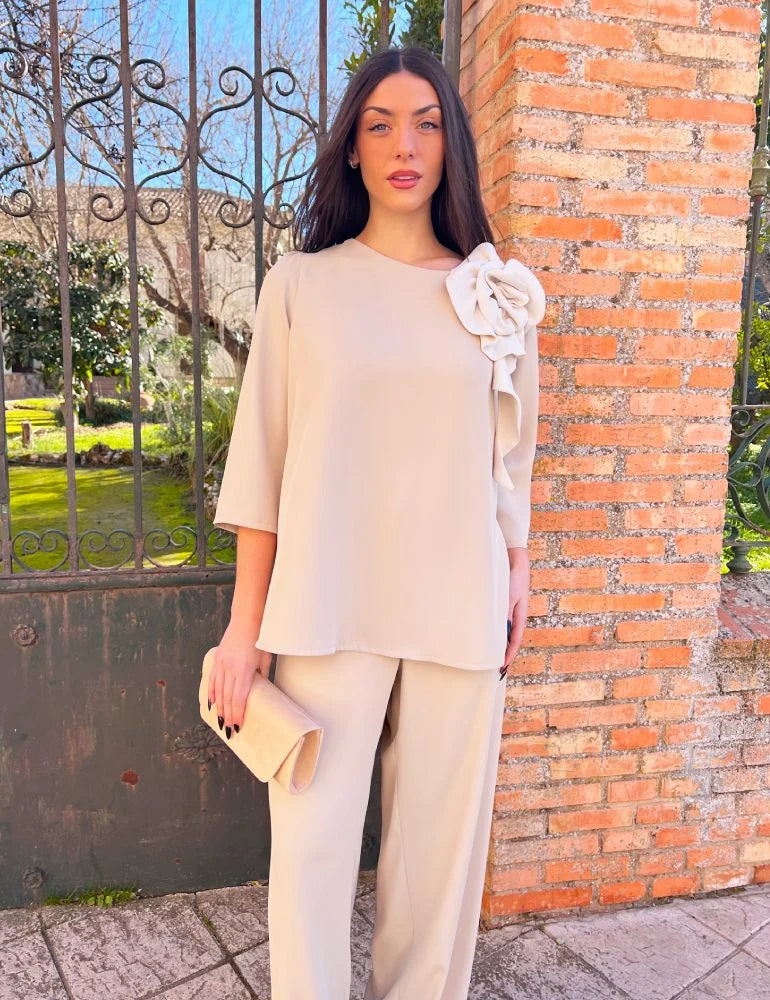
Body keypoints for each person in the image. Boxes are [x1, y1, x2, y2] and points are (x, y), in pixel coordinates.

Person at [208, 44, 545, 1000]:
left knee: (438, 864)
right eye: (381, 125)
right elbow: (263, 463)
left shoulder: (494, 294)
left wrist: (517, 570)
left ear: (451, 147)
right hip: (327, 601)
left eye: (427, 124)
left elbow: (511, 459)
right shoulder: (301, 286)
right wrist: (243, 631)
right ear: (352, 148)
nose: (406, 146)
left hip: (460, 598)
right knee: (310, 854)